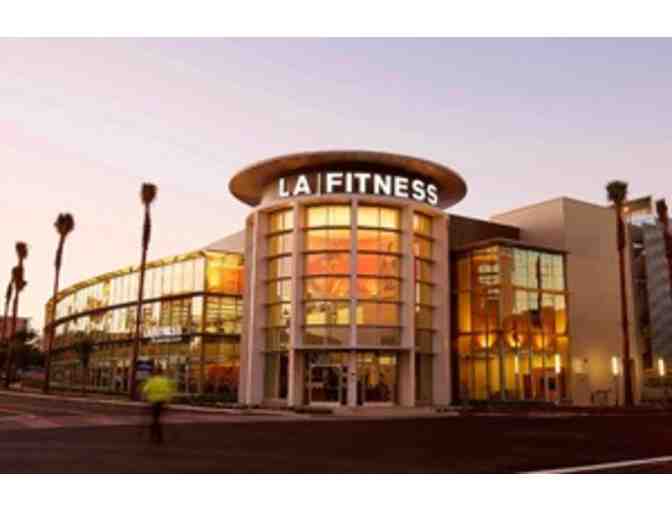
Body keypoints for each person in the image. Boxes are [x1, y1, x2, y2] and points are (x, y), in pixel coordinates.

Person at [141, 367, 176, 444]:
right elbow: (169, 392)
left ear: (155, 373)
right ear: (162, 373)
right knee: (156, 418)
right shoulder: (165, 381)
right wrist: (168, 402)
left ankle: (156, 435)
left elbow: (145, 390)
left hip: (154, 401)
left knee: (155, 419)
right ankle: (155, 435)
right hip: (162, 401)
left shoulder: (151, 380)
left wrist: (144, 399)